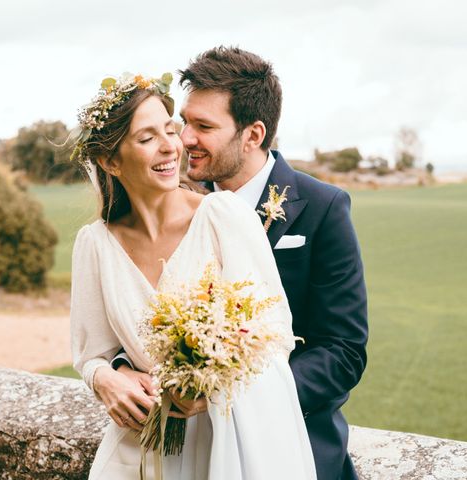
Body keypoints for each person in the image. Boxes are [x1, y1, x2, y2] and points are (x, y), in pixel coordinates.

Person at [101, 47, 369, 480]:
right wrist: (116, 370)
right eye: (184, 121)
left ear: (253, 134)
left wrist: (226, 396)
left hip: (291, 447)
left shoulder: (322, 208)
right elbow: (133, 302)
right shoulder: (172, 200)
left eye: (203, 126)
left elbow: (343, 352)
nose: (184, 138)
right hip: (182, 453)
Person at [70, 72, 316, 479]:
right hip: (139, 454)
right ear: (110, 161)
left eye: (170, 129)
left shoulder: (223, 216)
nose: (171, 146)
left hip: (224, 450)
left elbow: (274, 338)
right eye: (146, 138)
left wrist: (212, 387)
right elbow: (91, 353)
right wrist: (105, 378)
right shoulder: (94, 244)